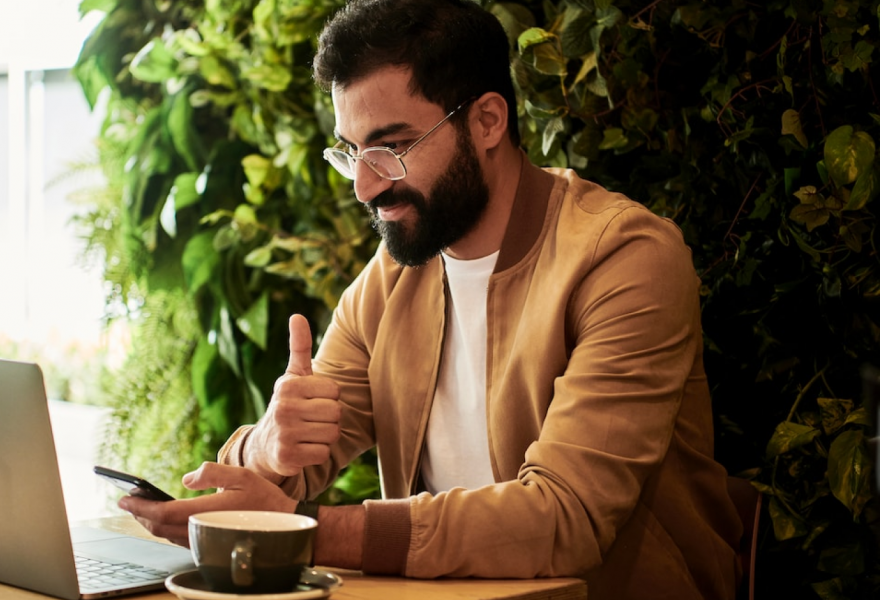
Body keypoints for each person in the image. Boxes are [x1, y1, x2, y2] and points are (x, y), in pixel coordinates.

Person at [118, 1, 743, 598]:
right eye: (351, 151)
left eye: (392, 148)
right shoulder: (395, 274)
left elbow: (564, 518)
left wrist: (306, 534)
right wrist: (271, 446)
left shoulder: (623, 257)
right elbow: (278, 474)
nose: (365, 186)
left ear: (488, 121)